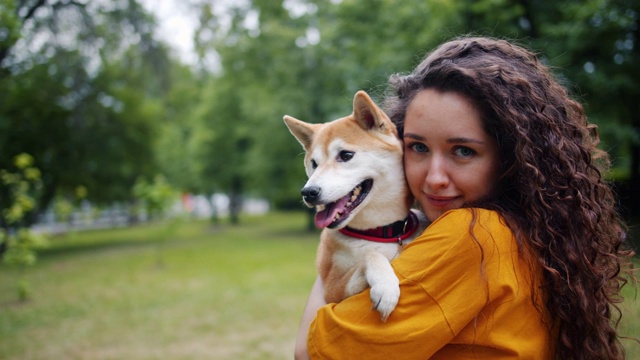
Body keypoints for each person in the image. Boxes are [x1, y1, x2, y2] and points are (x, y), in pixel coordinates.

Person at [294, 36, 635, 360]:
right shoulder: (529, 228)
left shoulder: (470, 236)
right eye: (418, 147)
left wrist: (337, 250)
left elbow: (311, 351)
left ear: (510, 157)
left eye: (462, 151)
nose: (435, 177)